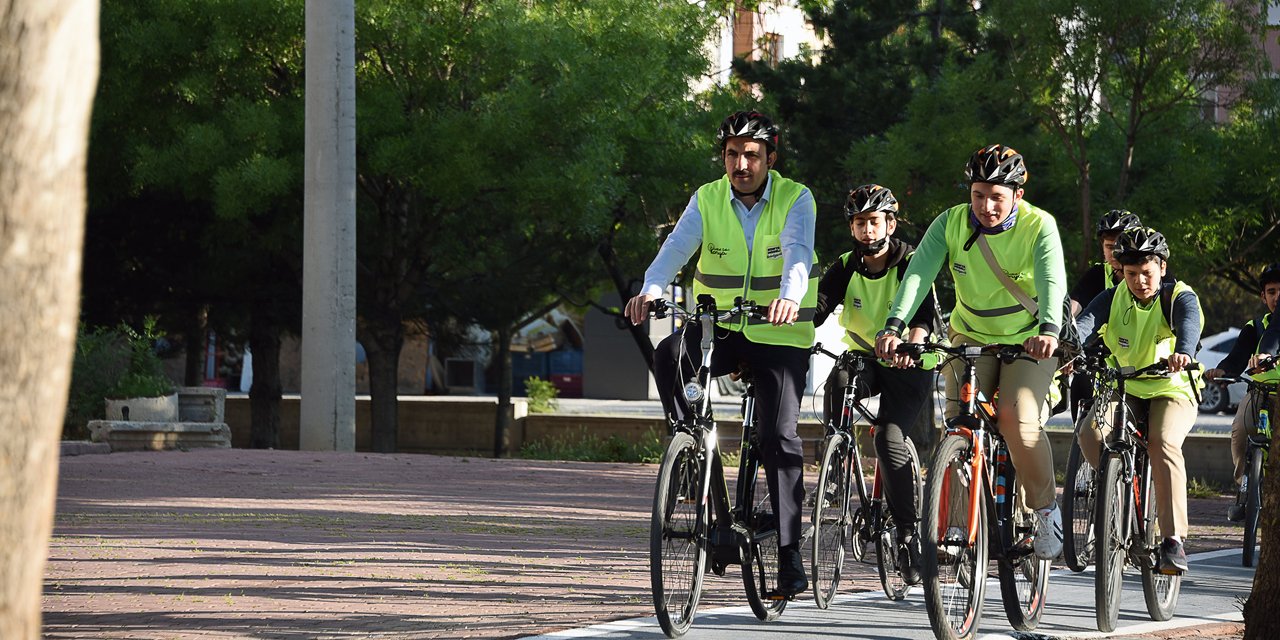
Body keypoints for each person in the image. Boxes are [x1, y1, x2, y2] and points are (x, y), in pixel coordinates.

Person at [624, 110, 817, 597]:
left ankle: (791, 555)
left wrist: (790, 297)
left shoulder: (796, 198)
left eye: (752, 154)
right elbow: (676, 247)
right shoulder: (708, 198)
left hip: (780, 334)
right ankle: (689, 445)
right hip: (724, 328)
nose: (740, 163)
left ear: (770, 158)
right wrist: (650, 288)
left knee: (778, 438)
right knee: (669, 354)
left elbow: (797, 251)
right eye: (732, 153)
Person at [875, 143, 1068, 561]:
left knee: (1017, 417)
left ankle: (1045, 509)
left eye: (997, 196)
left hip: (1029, 340)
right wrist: (894, 325)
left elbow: (1053, 281)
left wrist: (1050, 328)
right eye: (978, 195)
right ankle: (959, 527)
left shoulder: (1040, 226)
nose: (985, 206)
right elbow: (917, 276)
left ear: (1018, 194)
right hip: (971, 337)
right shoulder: (951, 224)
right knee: (959, 424)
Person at [813, 183, 941, 584]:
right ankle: (837, 462)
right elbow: (817, 308)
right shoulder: (846, 265)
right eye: (858, 223)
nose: (867, 231)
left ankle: (907, 536)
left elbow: (922, 317)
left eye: (873, 221)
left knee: (888, 437)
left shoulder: (912, 261)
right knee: (840, 380)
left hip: (911, 360)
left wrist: (912, 343)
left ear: (889, 222)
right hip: (866, 355)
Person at [1074, 226, 1203, 573]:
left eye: (1146, 273)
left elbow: (1189, 323)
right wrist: (1067, 347)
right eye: (1131, 274)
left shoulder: (1178, 296)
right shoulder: (1113, 297)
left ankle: (1173, 540)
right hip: (1126, 385)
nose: (1138, 281)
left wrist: (1184, 352)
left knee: (1162, 443)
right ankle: (1112, 485)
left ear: (1161, 267)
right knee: (1090, 433)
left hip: (1171, 387)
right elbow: (1085, 323)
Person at [1204, 263, 1280, 522]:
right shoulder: (1256, 326)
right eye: (1272, 291)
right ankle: (1245, 485)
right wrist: (1222, 371)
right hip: (1260, 392)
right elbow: (1237, 357)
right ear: (1263, 296)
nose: (1277, 297)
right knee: (1240, 430)